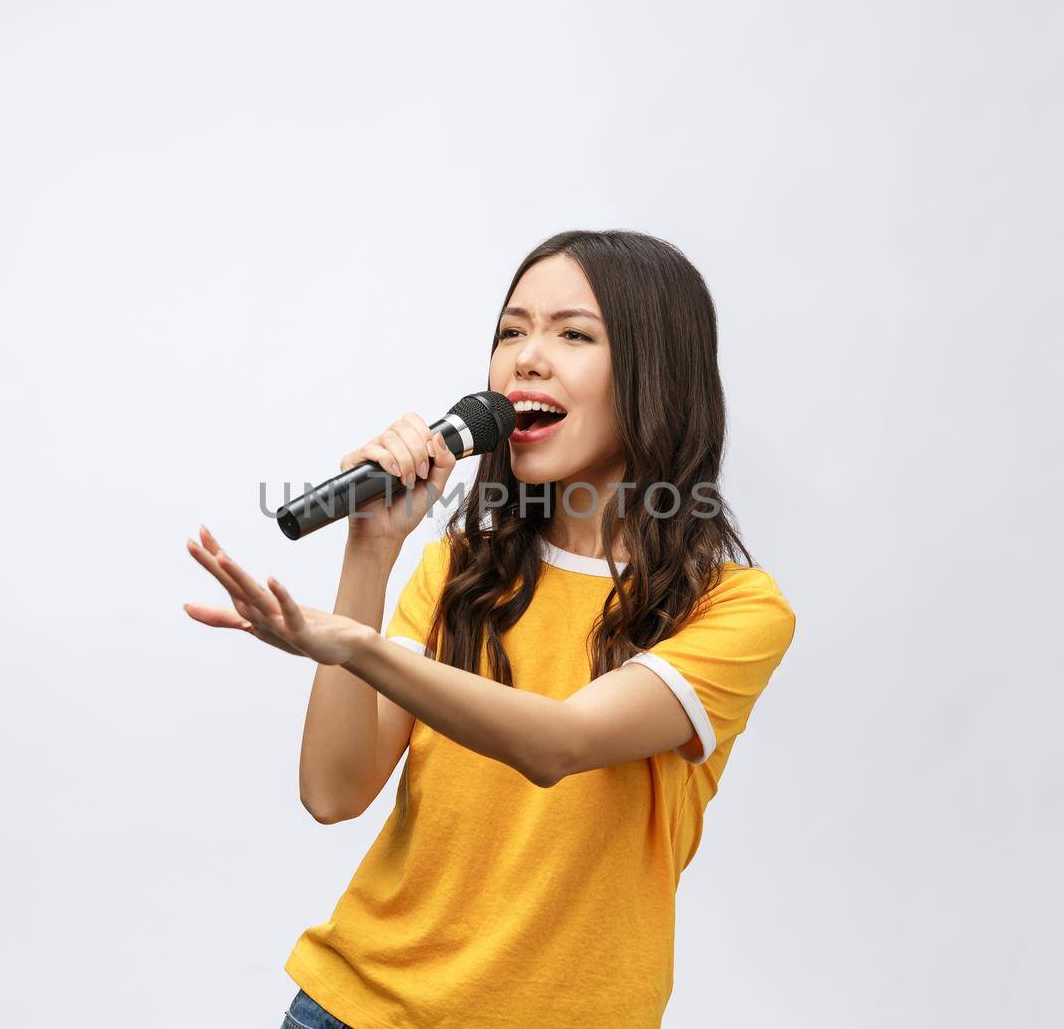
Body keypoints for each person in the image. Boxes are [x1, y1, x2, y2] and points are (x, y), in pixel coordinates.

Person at [184, 229, 799, 1028]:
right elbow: (333, 792)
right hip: (355, 1009)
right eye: (511, 331)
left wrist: (354, 645)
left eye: (573, 333)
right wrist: (370, 551)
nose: (527, 358)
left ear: (659, 374)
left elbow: (561, 743)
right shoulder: (456, 571)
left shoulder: (734, 610)